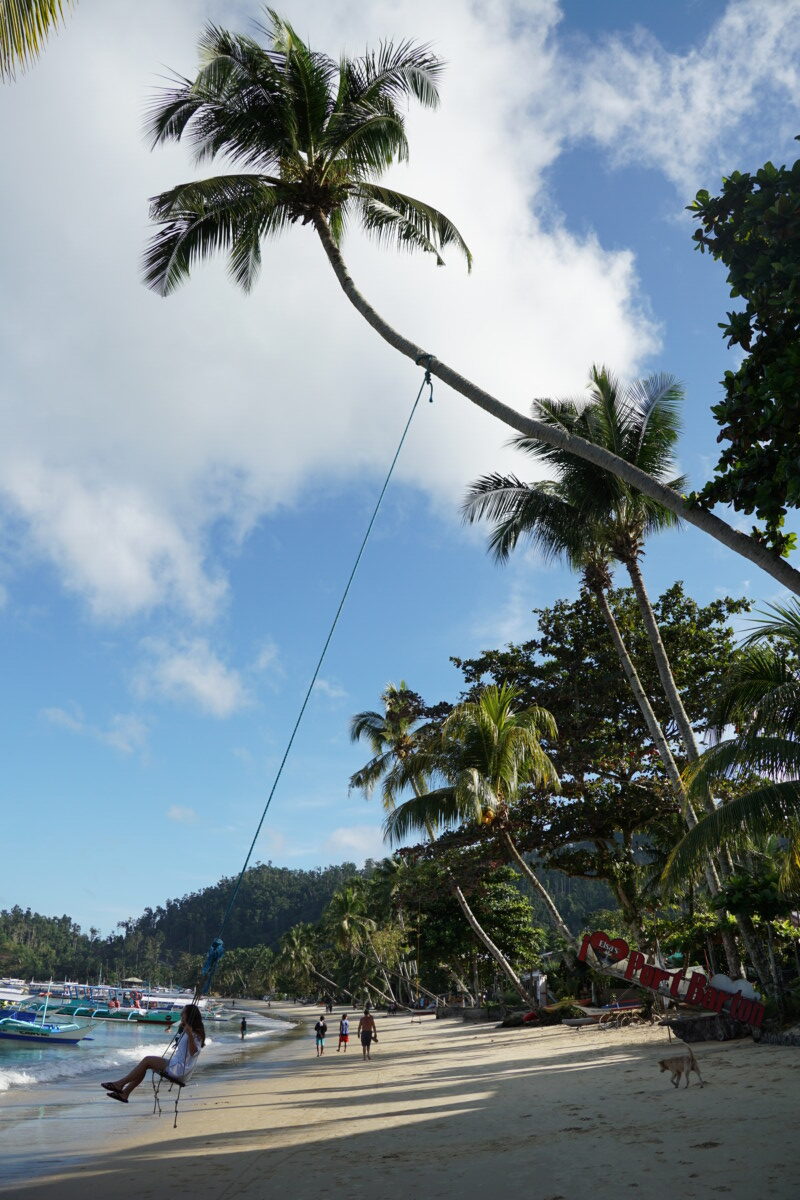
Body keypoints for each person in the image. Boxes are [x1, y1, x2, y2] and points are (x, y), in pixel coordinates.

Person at [101, 1004, 205, 1103]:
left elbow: (193, 1052)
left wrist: (189, 1034)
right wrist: (183, 1029)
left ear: (190, 1016)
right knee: (145, 1065)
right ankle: (124, 1093)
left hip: (180, 1069)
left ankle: (119, 1084)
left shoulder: (196, 1033)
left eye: (183, 1013)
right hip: (176, 1064)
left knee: (147, 1060)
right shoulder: (188, 1030)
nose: (181, 1014)